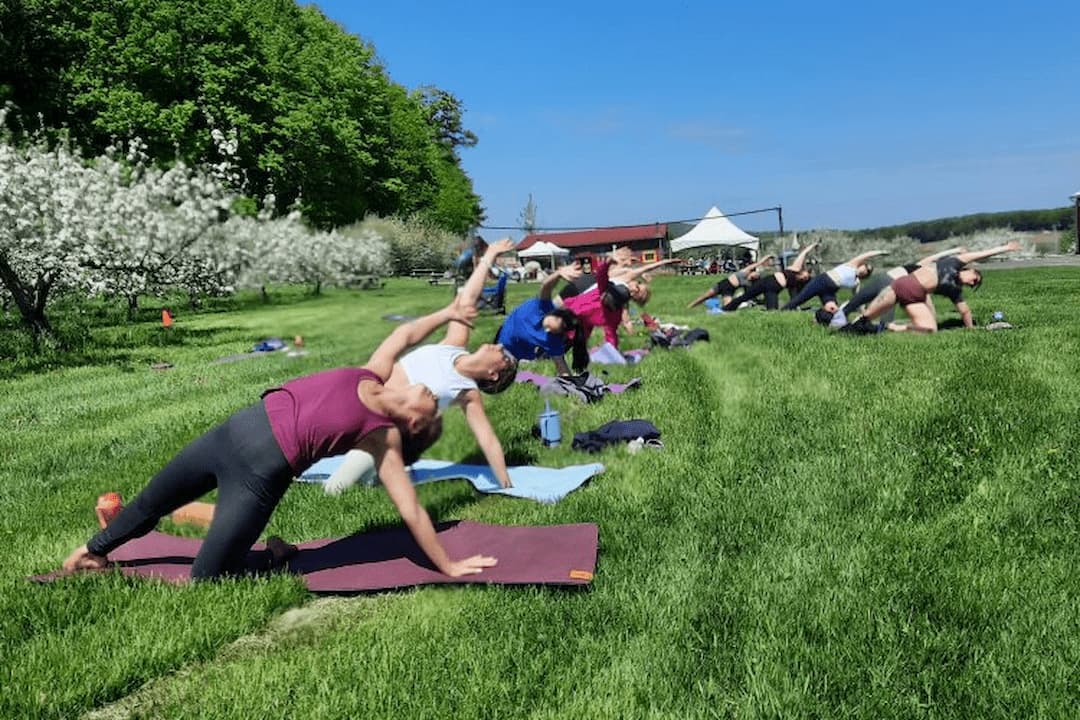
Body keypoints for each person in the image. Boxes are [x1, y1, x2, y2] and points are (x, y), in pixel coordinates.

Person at [63, 301, 496, 580]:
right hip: (227, 435)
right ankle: (93, 552)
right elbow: (404, 336)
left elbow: (412, 510)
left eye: (434, 410)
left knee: (208, 577)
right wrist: (448, 312)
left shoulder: (382, 439)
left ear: (415, 424)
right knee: (151, 501)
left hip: (258, 476)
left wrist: (448, 565)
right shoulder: (373, 373)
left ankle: (273, 555)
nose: (433, 396)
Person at [388, 239, 519, 488]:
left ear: (493, 374)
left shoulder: (467, 393)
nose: (500, 346)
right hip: (366, 386)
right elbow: (467, 298)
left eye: (503, 356)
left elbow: (488, 440)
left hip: (382, 424)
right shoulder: (454, 343)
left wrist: (506, 483)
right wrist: (489, 256)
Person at [845, 241, 1021, 333]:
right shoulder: (953, 263)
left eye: (974, 285)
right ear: (970, 270)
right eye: (975, 279)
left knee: (929, 330)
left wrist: (971, 329)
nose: (972, 283)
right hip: (903, 286)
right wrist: (1005, 248)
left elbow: (965, 311)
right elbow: (980, 254)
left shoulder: (954, 290)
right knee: (865, 317)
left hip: (913, 296)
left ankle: (881, 328)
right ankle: (851, 328)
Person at [818, 247, 966, 328]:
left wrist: (953, 251)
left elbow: (933, 258)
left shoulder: (920, 272)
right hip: (891, 287)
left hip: (884, 280)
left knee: (854, 307)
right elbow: (932, 259)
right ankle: (848, 324)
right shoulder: (922, 272)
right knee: (883, 324)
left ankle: (833, 321)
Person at [561, 250, 681, 348]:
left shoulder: (623, 289)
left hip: (582, 302)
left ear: (635, 292)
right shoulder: (621, 292)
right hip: (580, 296)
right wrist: (665, 261)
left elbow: (619, 323)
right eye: (639, 282)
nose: (637, 282)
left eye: (639, 284)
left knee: (571, 336)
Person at [496, 262, 589, 375]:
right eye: (548, 327)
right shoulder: (543, 307)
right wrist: (558, 274)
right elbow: (546, 286)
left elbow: (561, 366)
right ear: (554, 314)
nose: (547, 331)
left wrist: (571, 383)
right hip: (501, 340)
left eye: (552, 332)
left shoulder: (553, 340)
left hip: (513, 357)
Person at [720, 243, 817, 311]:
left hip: (772, 291)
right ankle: (726, 309)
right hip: (767, 282)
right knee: (746, 296)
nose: (805, 277)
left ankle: (733, 308)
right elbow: (802, 254)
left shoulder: (794, 285)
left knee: (772, 311)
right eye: (806, 275)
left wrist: (797, 307)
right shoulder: (795, 269)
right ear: (804, 271)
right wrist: (812, 246)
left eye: (805, 279)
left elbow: (794, 299)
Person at [782, 250, 888, 311]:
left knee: (833, 310)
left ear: (867, 274)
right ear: (862, 265)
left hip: (830, 291)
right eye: (865, 266)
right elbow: (865, 255)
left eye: (868, 271)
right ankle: (780, 312)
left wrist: (863, 311)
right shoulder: (852, 265)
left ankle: (821, 321)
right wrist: (880, 252)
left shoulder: (856, 282)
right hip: (822, 281)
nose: (865, 270)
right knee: (799, 300)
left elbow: (858, 298)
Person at [686, 255, 775, 309]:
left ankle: (715, 310)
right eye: (756, 274)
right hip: (723, 284)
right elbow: (758, 263)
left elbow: (751, 293)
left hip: (729, 291)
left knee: (727, 308)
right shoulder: (745, 271)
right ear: (752, 272)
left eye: (757, 276)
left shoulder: (748, 284)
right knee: (705, 296)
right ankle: (689, 307)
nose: (757, 275)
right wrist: (767, 257)